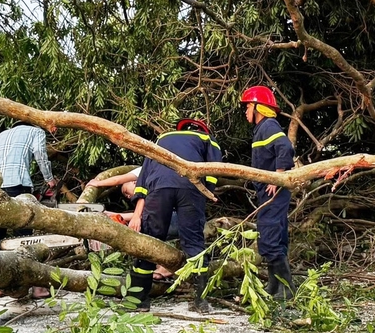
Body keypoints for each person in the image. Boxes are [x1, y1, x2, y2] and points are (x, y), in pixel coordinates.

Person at [126, 119, 222, 313]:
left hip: (158, 185)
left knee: (150, 240)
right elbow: (213, 169)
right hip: (191, 186)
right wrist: (207, 192)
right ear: (202, 129)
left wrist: (138, 210)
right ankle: (201, 302)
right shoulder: (207, 138)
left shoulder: (162, 138)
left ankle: (138, 301)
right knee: (194, 243)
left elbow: (144, 176)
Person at [0, 123, 56, 299]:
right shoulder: (35, 131)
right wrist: (49, 179)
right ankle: (37, 288)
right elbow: (40, 154)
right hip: (18, 184)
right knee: (24, 238)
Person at [241, 85, 296, 301]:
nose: (246, 112)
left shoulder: (269, 126)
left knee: (270, 234)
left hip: (274, 192)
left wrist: (277, 176)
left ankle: (287, 288)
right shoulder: (262, 129)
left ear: (257, 108)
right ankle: (275, 286)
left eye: (247, 107)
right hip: (269, 192)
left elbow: (285, 148)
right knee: (275, 236)